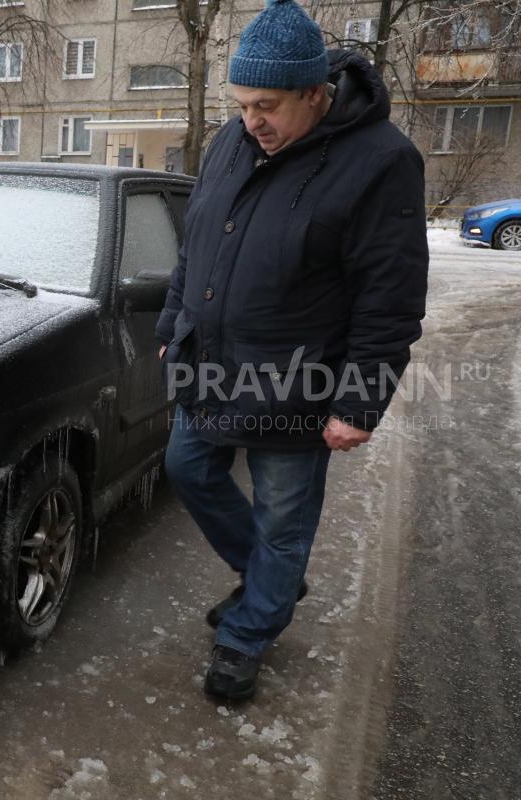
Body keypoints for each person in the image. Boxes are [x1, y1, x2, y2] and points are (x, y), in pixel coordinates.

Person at [156, 0, 429, 700]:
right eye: (243, 104)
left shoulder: (381, 161)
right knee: (188, 467)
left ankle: (248, 632)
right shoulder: (232, 141)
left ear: (316, 93)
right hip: (211, 361)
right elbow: (196, 247)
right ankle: (274, 585)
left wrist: (359, 403)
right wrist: (171, 330)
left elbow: (388, 296)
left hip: (296, 382)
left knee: (283, 515)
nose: (253, 121)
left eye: (267, 105)